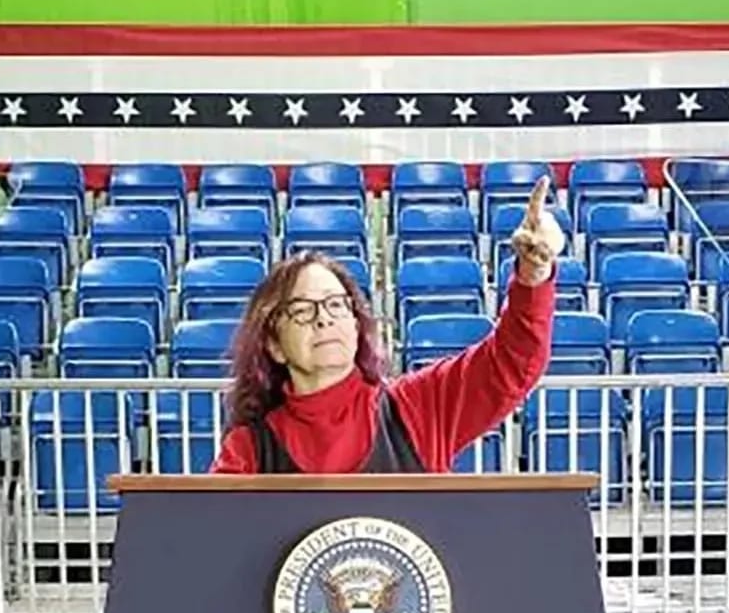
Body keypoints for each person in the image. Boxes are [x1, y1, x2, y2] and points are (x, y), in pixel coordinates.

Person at [211, 175, 565, 473]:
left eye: (336, 305)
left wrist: (533, 277)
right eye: (302, 309)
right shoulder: (247, 451)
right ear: (273, 343)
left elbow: (509, 364)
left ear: (356, 324)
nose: (323, 318)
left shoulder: (420, 405)